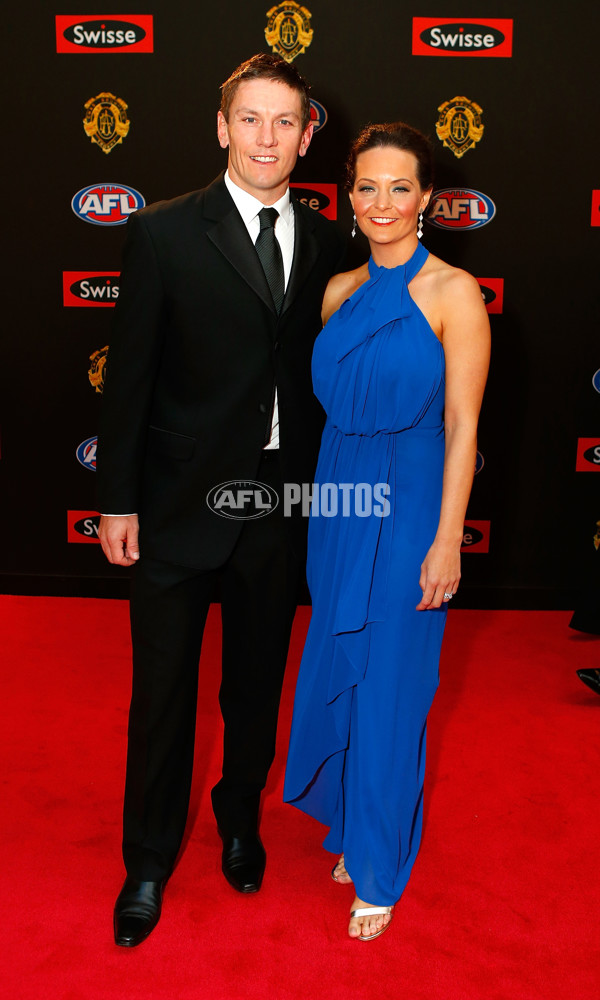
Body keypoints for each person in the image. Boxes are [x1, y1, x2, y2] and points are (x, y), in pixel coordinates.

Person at [97, 53, 345, 948]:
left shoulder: (326, 240)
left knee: (252, 686)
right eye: (251, 119)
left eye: (285, 122)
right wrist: (116, 501)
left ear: (307, 133)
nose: (267, 139)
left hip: (278, 507)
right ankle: (148, 860)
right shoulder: (164, 232)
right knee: (161, 696)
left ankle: (240, 822)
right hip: (173, 507)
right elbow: (128, 381)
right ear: (222, 127)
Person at [284, 122, 490, 941]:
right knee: (341, 656)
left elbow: (465, 428)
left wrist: (448, 539)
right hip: (340, 494)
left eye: (399, 186)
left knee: (395, 683)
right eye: (366, 186)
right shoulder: (336, 292)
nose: (380, 202)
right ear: (349, 194)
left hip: (410, 499)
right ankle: (352, 821)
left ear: (427, 199)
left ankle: (379, 859)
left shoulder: (453, 293)